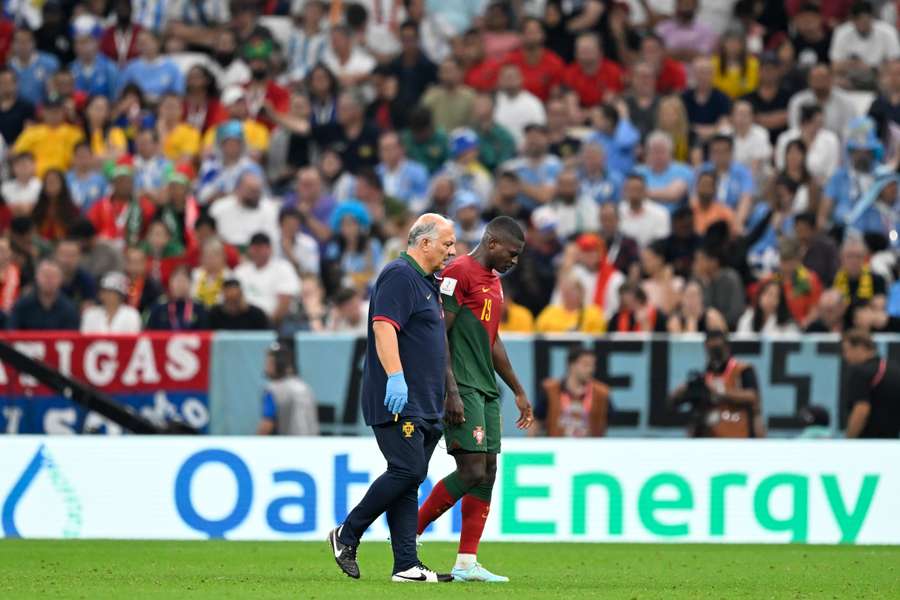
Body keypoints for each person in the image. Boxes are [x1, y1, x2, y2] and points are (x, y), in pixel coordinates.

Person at [327, 214, 457, 583]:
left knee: (409, 479)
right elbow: (384, 326)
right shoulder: (399, 275)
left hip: (427, 399)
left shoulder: (428, 282)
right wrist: (396, 378)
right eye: (447, 243)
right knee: (407, 470)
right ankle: (347, 534)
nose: (452, 250)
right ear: (425, 243)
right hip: (402, 398)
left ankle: (406, 565)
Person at [416, 216, 532, 583]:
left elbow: (492, 340)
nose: (514, 262)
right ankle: (408, 533)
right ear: (493, 243)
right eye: (512, 254)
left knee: (488, 471)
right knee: (472, 471)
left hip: (485, 388)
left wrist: (517, 389)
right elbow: (439, 335)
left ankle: (466, 562)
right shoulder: (458, 273)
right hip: (462, 387)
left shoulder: (494, 283)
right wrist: (450, 390)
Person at [538, 348, 610, 438]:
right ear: (571, 365)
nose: (590, 370)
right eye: (586, 365)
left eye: (593, 365)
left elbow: (607, 422)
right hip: (558, 448)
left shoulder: (601, 393)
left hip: (590, 449)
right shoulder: (551, 390)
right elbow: (537, 421)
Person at [843, 328, 900, 438]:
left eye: (847, 350)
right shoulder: (895, 369)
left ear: (860, 347)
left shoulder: (860, 372)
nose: (846, 356)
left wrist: (848, 440)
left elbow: (861, 410)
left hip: (867, 443)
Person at [257, 342, 319, 436]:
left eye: (270, 362)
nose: (266, 366)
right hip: (316, 445)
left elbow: (267, 424)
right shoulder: (304, 386)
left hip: (290, 446)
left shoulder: (272, 389)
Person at [8, 259, 79, 330]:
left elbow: (72, 337)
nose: (49, 280)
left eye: (53, 276)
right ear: (36, 277)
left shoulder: (69, 309)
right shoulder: (22, 306)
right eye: (45, 275)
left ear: (61, 279)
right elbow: (11, 333)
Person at [536, 275, 607, 334]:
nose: (568, 293)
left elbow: (597, 339)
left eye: (572, 290)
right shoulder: (548, 313)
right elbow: (538, 335)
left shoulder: (593, 313)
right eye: (565, 290)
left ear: (582, 292)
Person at [146, 265, 208, 331]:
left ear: (190, 283)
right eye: (177, 280)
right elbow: (150, 333)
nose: (180, 285)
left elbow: (205, 334)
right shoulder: (159, 307)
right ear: (170, 282)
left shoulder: (199, 308)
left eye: (183, 280)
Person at [618, 173, 671, 248]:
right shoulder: (617, 211)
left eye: (637, 189)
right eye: (630, 189)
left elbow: (661, 242)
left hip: (652, 255)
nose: (634, 193)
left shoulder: (661, 213)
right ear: (624, 191)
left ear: (645, 190)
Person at [736, 279, 800, 335]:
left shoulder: (788, 324)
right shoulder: (748, 317)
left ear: (780, 301)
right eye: (767, 294)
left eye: (775, 296)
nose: (770, 299)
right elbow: (741, 342)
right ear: (759, 296)